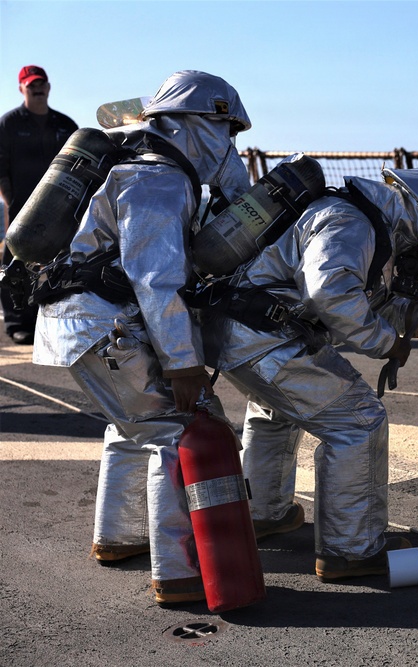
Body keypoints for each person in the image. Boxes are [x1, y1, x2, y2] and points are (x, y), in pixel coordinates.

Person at [32, 71, 253, 606]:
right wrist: (182, 365)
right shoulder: (159, 181)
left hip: (78, 323)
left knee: (132, 426)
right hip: (103, 326)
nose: (230, 145)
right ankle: (178, 572)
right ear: (193, 124)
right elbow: (156, 280)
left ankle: (119, 536)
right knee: (175, 433)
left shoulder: (137, 169)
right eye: (226, 129)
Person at [199, 166, 418, 582]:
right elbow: (330, 293)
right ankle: (350, 549)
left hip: (239, 334)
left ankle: (263, 513)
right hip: (265, 339)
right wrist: (388, 343)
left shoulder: (359, 221)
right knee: (358, 421)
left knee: (278, 411)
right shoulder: (351, 222)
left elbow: (369, 298)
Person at [0, 65, 78, 345]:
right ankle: (19, 323)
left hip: (63, 207)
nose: (37, 87)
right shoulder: (9, 124)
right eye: (31, 83)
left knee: (63, 262)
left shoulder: (65, 125)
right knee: (17, 264)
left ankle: (57, 322)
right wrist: (11, 203)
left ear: (49, 86)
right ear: (22, 88)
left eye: (41, 83)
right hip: (23, 205)